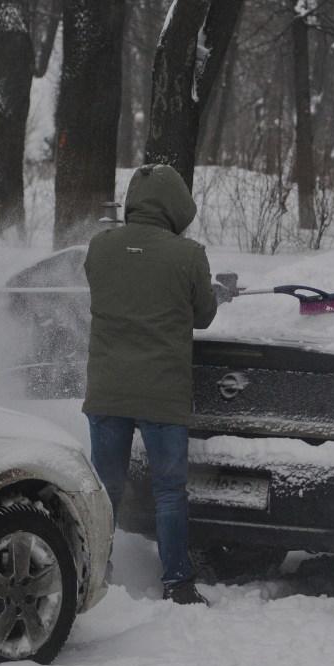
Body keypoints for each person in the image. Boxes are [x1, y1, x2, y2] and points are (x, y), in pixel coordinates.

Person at [83, 164, 227, 606]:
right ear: (176, 205)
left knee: (104, 489)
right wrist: (214, 292)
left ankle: (93, 572)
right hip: (162, 393)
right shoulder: (188, 255)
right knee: (169, 490)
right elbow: (202, 316)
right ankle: (178, 582)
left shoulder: (99, 246)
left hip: (107, 389)